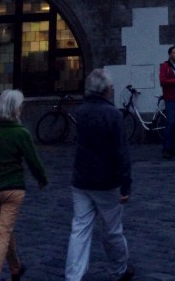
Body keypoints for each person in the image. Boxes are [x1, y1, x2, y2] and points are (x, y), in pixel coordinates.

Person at [0, 89, 47, 281]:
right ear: (15, 109)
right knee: (3, 236)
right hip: (13, 190)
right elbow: (33, 161)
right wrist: (42, 179)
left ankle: (15, 268)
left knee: (4, 229)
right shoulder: (21, 133)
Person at [65, 69, 134, 281]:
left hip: (81, 178)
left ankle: (73, 276)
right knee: (112, 230)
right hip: (107, 181)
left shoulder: (81, 111)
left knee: (80, 228)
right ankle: (118, 270)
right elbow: (121, 151)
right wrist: (126, 184)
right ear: (105, 90)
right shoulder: (113, 114)